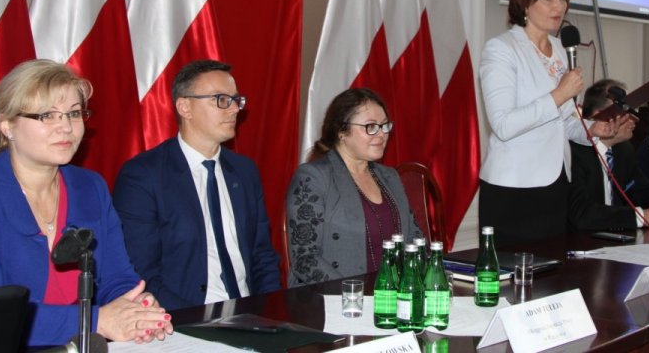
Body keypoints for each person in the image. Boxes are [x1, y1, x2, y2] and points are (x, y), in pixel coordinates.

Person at [0, 60, 172, 347]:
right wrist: (98, 321)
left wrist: (136, 309)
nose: (66, 127)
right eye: (48, 115)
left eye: (74, 113)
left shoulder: (90, 187)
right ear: (7, 125)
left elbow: (117, 278)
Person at [113, 60, 280, 310]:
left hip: (249, 313)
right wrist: (197, 320)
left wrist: (269, 309)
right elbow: (142, 272)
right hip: (182, 316)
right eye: (221, 100)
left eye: (236, 100)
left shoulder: (245, 171)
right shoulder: (143, 176)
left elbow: (263, 256)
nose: (234, 109)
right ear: (185, 107)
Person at [479, 0, 624, 246]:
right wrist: (559, 94)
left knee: (553, 267)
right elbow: (503, 125)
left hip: (556, 185)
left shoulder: (560, 49)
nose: (559, 6)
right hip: (515, 188)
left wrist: (593, 129)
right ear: (525, 2)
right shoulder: (501, 49)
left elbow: (563, 121)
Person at [285, 88, 420, 286]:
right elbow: (305, 259)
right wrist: (355, 293)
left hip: (392, 296)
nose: (382, 134)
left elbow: (415, 239)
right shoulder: (313, 178)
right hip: (331, 297)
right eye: (371, 127)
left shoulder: (390, 177)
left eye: (385, 126)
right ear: (342, 132)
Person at [569, 80, 649, 231]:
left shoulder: (623, 150)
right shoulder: (574, 153)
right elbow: (583, 214)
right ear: (599, 117)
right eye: (625, 112)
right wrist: (644, 217)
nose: (635, 119)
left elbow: (641, 190)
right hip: (578, 239)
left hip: (616, 238)